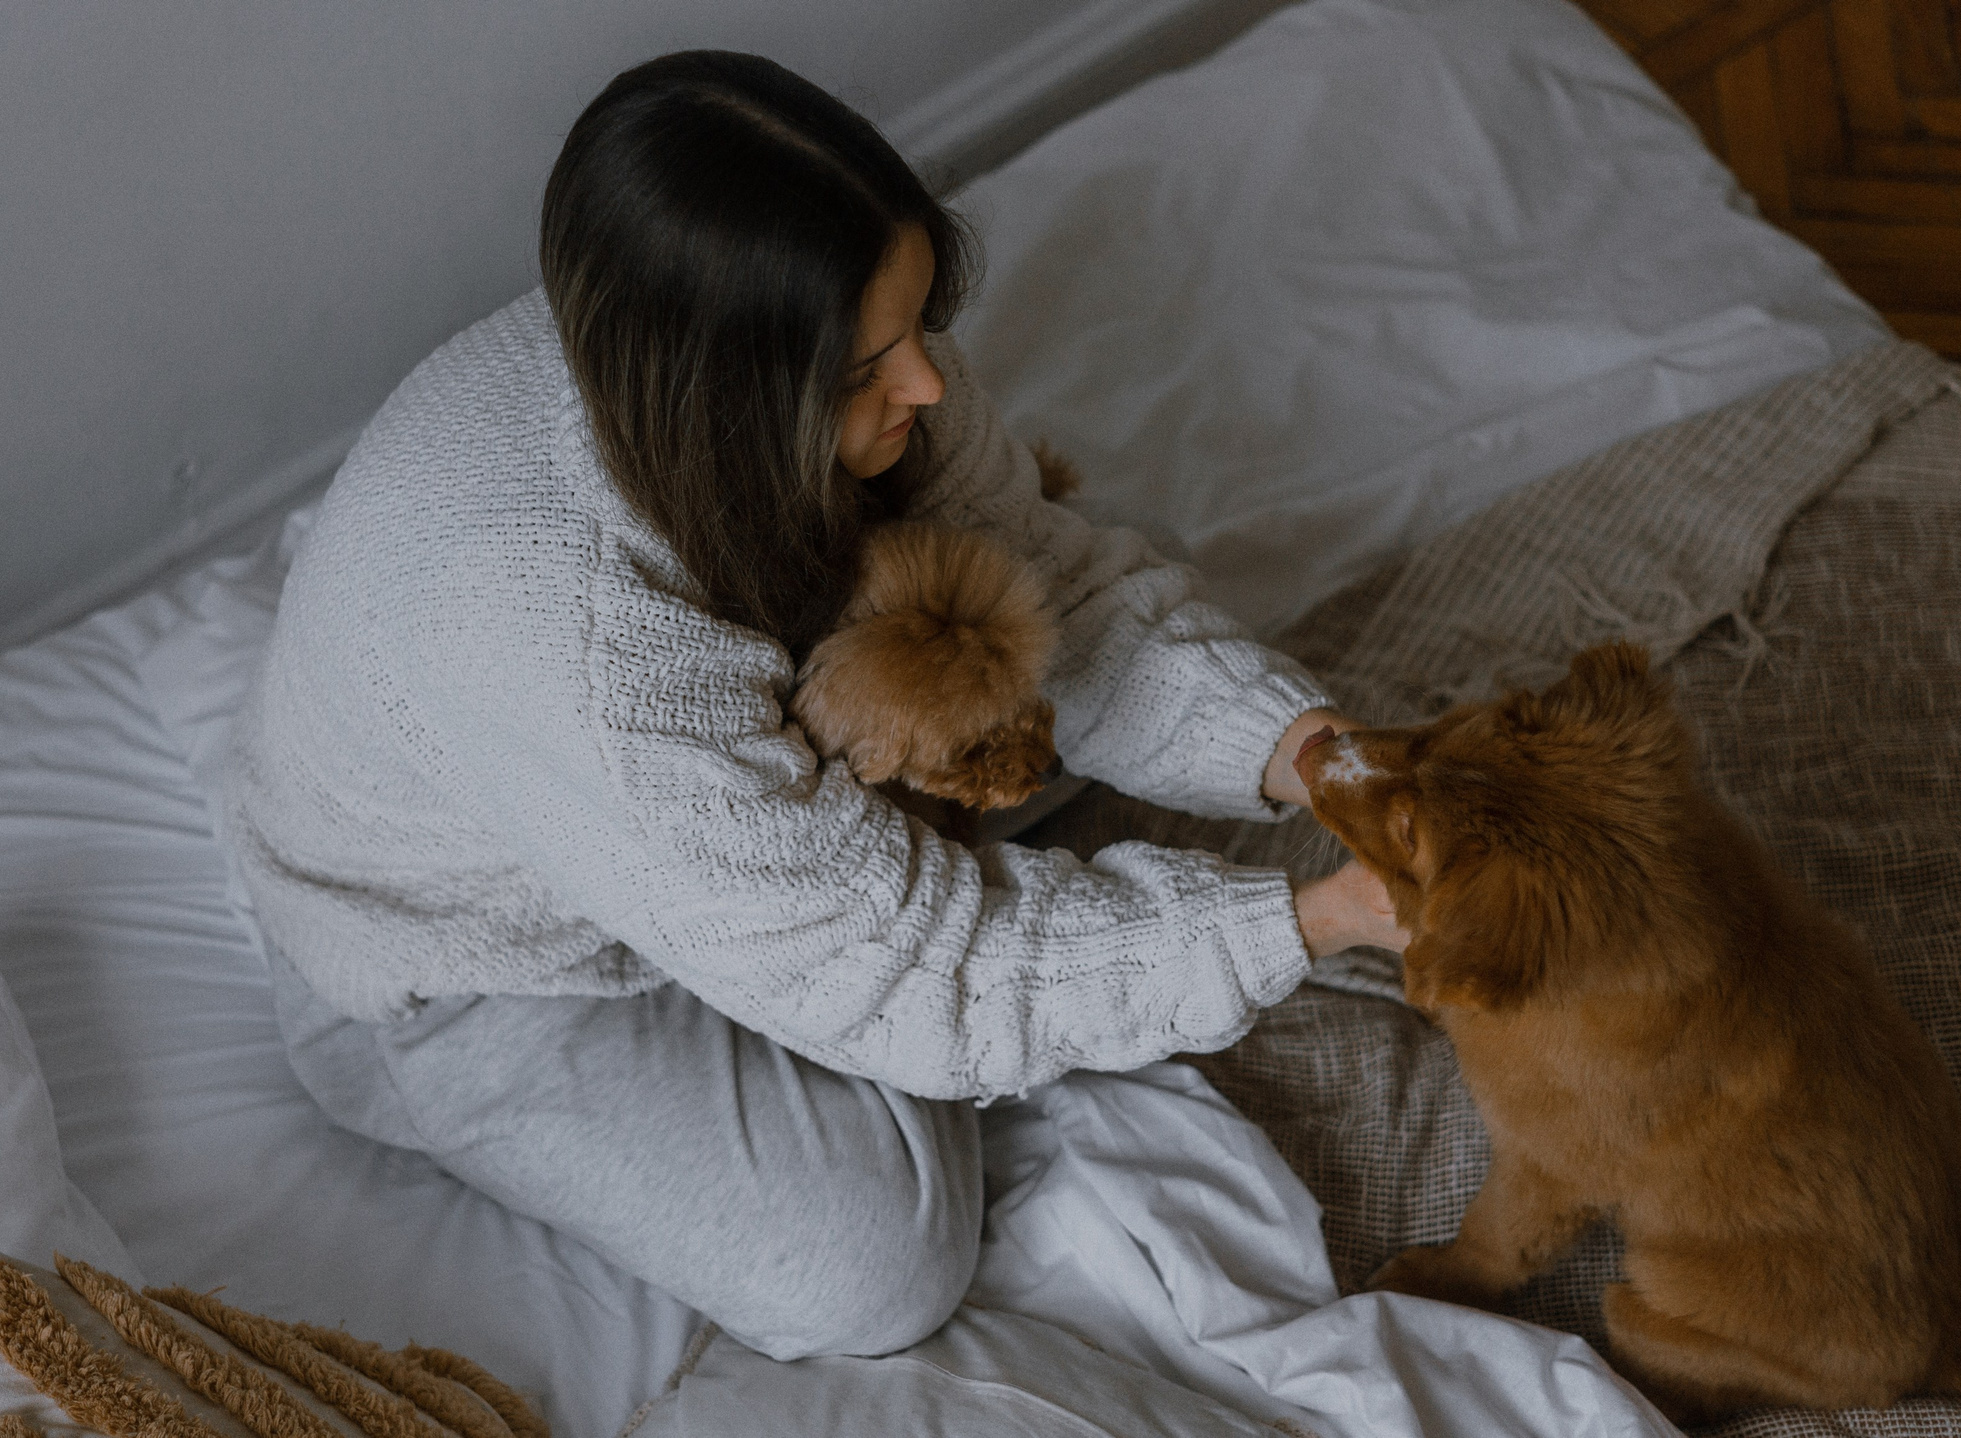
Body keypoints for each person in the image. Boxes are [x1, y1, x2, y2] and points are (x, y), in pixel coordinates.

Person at [225, 49, 1406, 1363]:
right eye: (870, 370)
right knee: (870, 1265)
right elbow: (920, 969)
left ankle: (822, 863)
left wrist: (1319, 757)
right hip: (462, 968)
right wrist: (1311, 918)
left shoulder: (794, 342)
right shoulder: (603, 660)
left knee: (1104, 618)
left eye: (917, 326)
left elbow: (1059, 586)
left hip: (682, 805)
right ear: (737, 399)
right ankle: (818, 892)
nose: (930, 387)